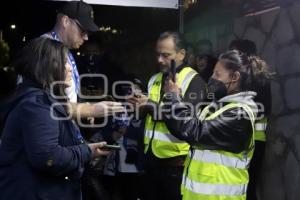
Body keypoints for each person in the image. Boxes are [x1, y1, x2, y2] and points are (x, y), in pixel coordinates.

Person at [0, 37, 112, 200]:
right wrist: (86, 151)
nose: (69, 69)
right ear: (49, 65)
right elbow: (48, 157)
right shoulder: (37, 104)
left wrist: (88, 150)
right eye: (65, 62)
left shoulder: (39, 99)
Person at [161, 50, 272, 200]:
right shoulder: (218, 106)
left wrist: (172, 98)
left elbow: (193, 131)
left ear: (235, 77)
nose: (212, 78)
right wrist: (178, 98)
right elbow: (190, 124)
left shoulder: (239, 114)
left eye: (217, 74)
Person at [127, 31, 207, 200]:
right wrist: (136, 105)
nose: (159, 60)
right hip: (151, 161)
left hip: (176, 165)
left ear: (181, 54)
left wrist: (149, 104)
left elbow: (185, 118)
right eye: (158, 54)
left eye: (166, 55)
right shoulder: (154, 79)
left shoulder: (194, 81)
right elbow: (144, 116)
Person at [41, 1, 123, 119]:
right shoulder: (45, 50)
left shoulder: (63, 50)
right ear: (65, 21)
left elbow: (67, 98)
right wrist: (90, 110)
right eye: (83, 30)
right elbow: (45, 106)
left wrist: (84, 109)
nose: (86, 37)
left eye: (88, 32)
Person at [229, 39, 272, 200]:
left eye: (234, 52)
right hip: (253, 139)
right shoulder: (258, 75)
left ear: (243, 54)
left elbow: (264, 108)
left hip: (247, 139)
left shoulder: (253, 77)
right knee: (247, 184)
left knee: (243, 186)